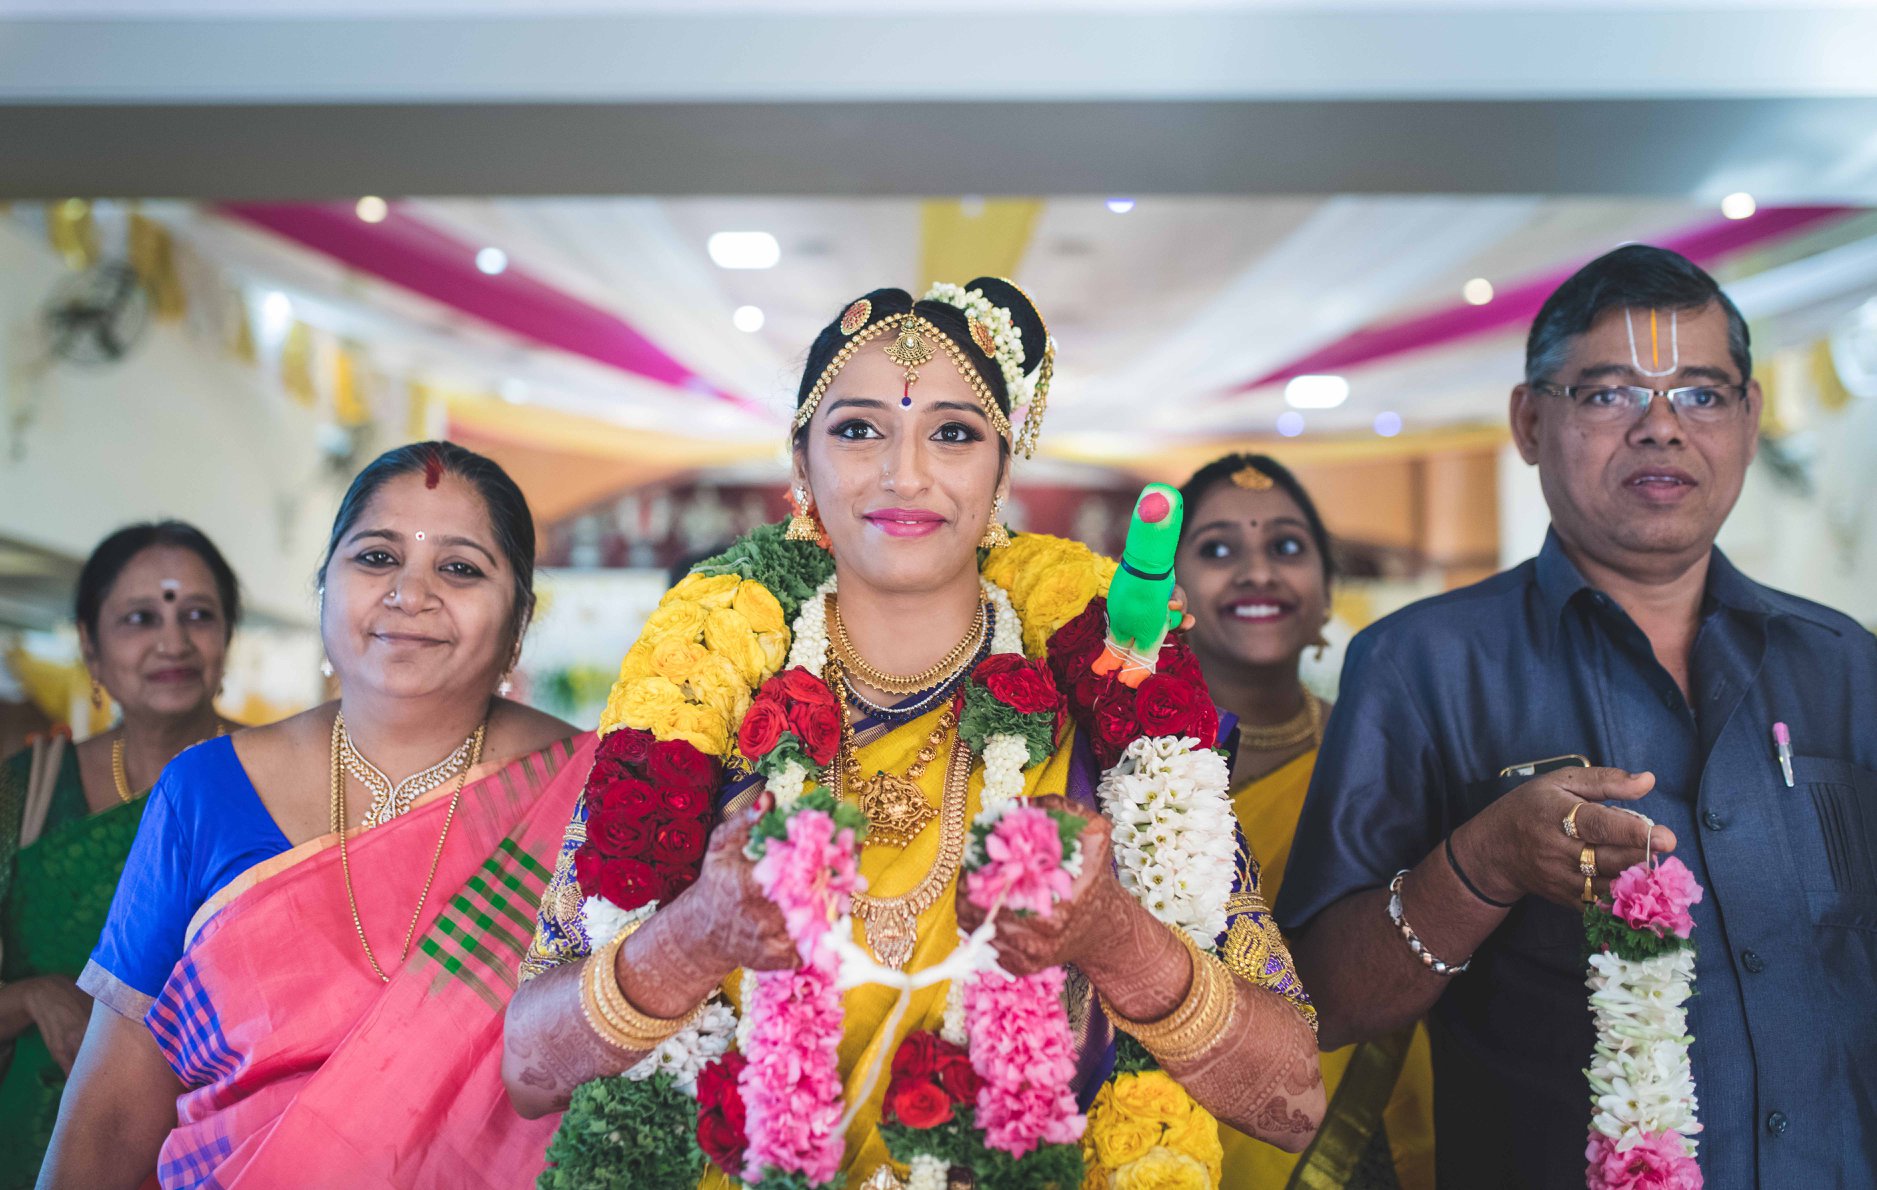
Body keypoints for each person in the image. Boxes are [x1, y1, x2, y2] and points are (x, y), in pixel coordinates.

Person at [503, 279, 1325, 1187]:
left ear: (1003, 470)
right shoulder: (708, 707)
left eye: (954, 432)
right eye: (859, 429)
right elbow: (531, 1071)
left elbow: (1289, 1099)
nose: (905, 474)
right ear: (801, 465)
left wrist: (1113, 937)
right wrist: (691, 936)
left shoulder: (1104, 713)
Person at [1276, 245, 1877, 1187]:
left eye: (1702, 394)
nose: (1661, 429)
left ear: (1751, 419)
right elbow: (1322, 1000)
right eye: (1608, 395)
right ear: (1528, 420)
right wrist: (1481, 867)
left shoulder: (1842, 664)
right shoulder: (1422, 664)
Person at [40, 442, 587, 1189]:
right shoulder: (205, 790)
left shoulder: (591, 792)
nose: (410, 593)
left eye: (459, 567)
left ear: (518, 622)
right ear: (322, 589)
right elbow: (109, 1113)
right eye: (375, 558)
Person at [1175, 454, 1434, 1190]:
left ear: (1325, 593)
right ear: (1171, 587)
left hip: (1356, 1133)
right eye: (1218, 549)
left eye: (1286, 547)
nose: (1257, 572)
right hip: (1156, 1125)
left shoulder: (1385, 756)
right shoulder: (1110, 760)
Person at [0, 522, 243, 1189]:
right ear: (90, 645)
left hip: (225, 1149)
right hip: (40, 1147)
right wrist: (31, 998)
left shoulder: (284, 782)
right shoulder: (24, 793)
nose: (173, 642)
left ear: (226, 638)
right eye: (140, 618)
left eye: (198, 615)